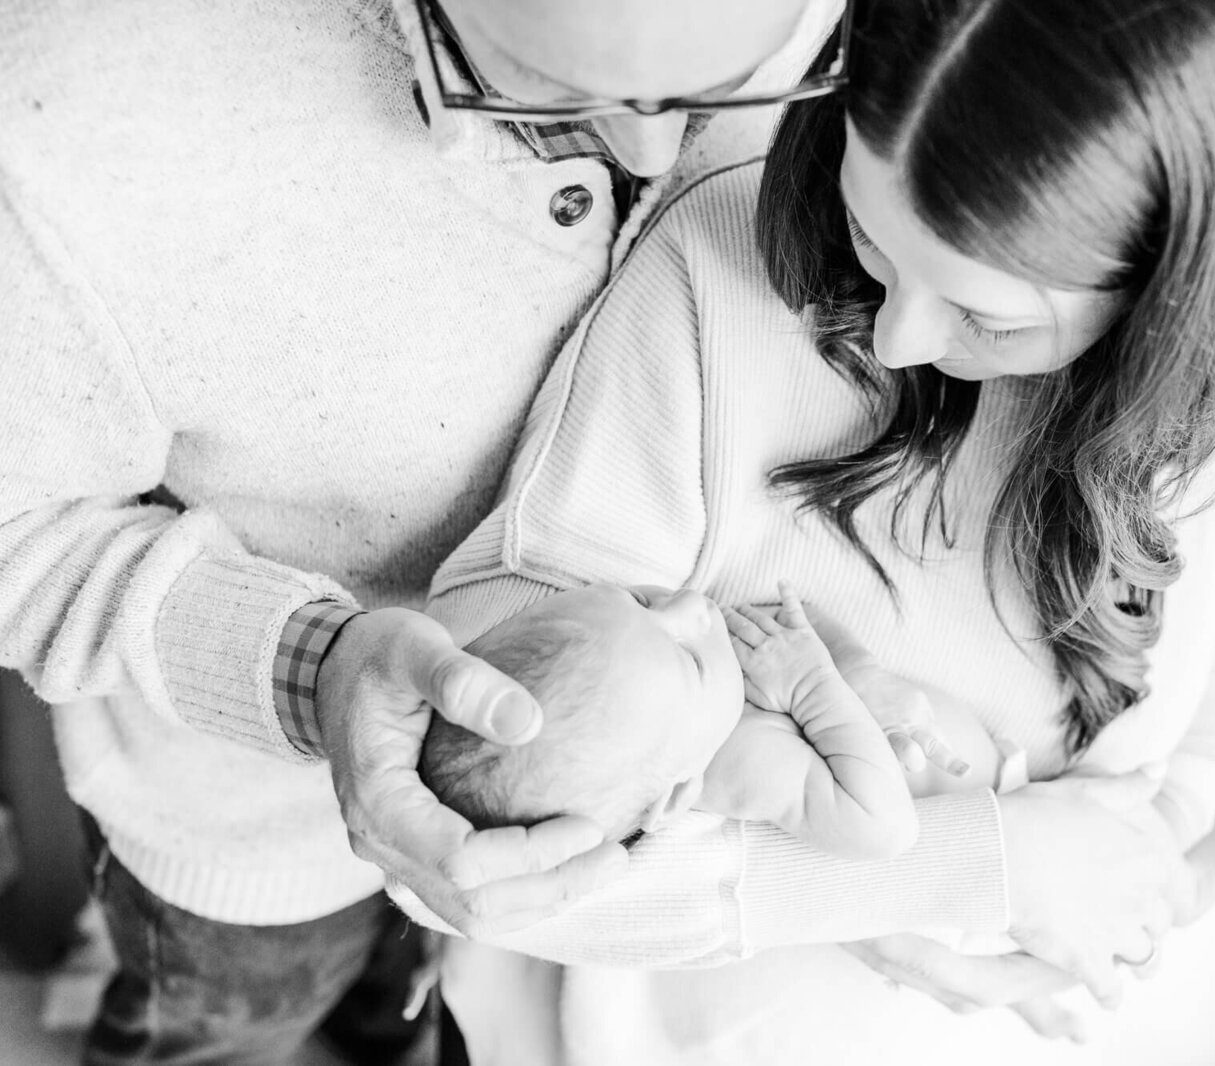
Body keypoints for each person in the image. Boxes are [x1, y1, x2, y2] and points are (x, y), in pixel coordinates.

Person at [414, 0, 1215, 1060]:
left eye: (987, 317)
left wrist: (1125, 882)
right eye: (870, 234)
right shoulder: (711, 291)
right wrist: (965, 877)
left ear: (1171, 301)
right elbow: (473, 836)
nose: (896, 332)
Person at [0, 0, 838, 1060]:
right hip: (243, 844)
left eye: (743, 79)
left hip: (562, 831)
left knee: (410, 1002)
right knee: (224, 1029)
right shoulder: (69, 122)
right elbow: (14, 527)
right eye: (546, 92)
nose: (653, 152)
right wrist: (310, 664)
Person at [419, 580, 931, 859]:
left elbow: (796, 624)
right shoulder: (741, 759)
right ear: (677, 795)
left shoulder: (694, 698)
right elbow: (885, 828)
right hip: (977, 801)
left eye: (639, 600)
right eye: (689, 656)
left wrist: (858, 673)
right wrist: (814, 686)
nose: (690, 603)